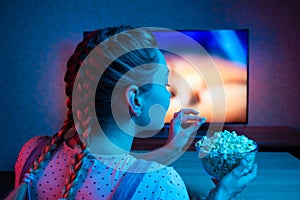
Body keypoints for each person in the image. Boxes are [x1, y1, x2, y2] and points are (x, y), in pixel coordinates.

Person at [6, 26, 257, 200]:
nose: (169, 95)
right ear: (135, 99)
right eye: (166, 84)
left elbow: (114, 174)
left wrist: (172, 148)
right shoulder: (162, 185)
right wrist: (222, 194)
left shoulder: (33, 154)